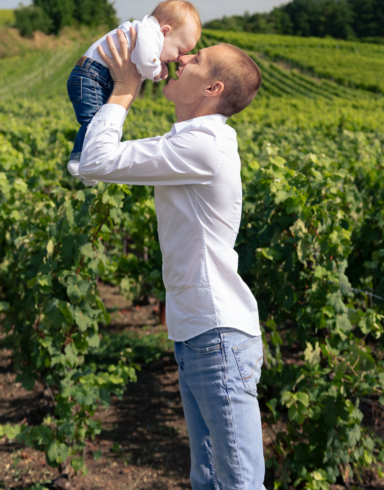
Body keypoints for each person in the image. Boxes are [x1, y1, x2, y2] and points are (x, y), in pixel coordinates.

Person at [68, 28, 266, 490]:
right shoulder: (189, 142)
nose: (184, 57)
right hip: (199, 333)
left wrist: (122, 89)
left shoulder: (202, 146)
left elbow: (95, 163)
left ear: (212, 89)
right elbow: (100, 160)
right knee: (210, 478)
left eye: (197, 60)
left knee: (237, 483)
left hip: (217, 335)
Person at [66, 0, 201, 160]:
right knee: (95, 121)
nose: (178, 58)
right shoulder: (149, 32)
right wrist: (157, 70)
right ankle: (83, 157)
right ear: (164, 32)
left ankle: (84, 156)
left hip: (97, 76)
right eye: (179, 51)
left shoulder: (147, 34)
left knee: (102, 119)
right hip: (90, 75)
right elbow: (145, 62)